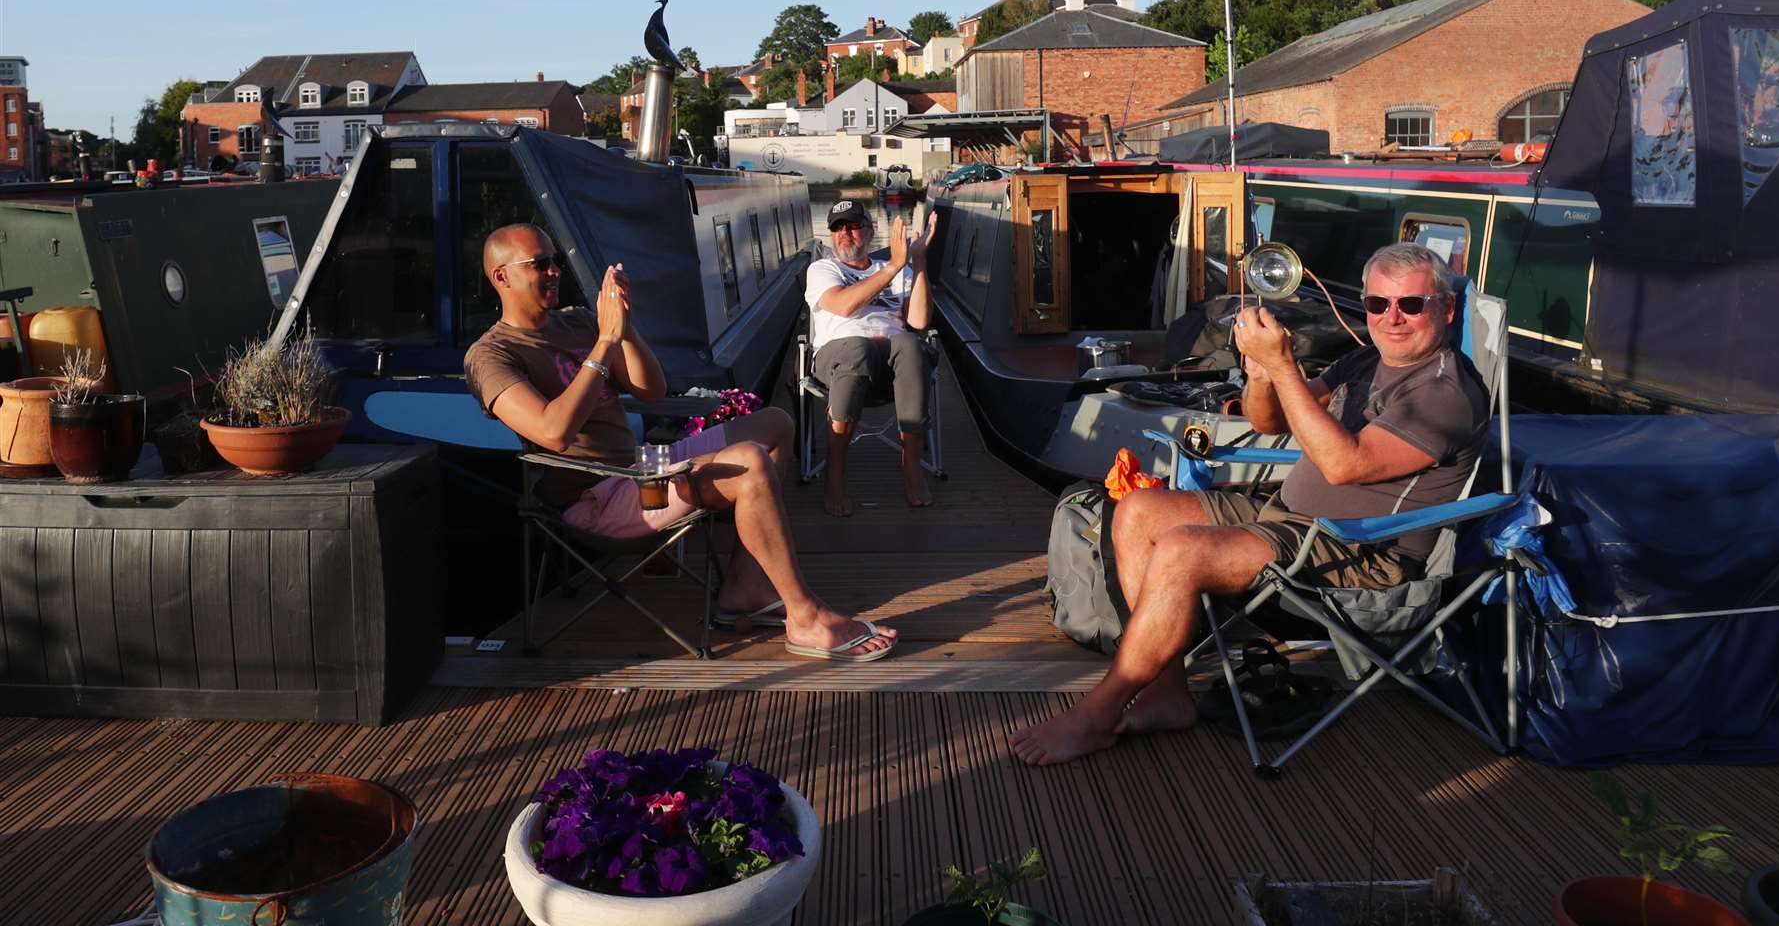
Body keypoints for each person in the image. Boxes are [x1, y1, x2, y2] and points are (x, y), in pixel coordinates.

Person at [1009, 242, 1488, 764]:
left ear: (1445, 309)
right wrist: (1260, 374)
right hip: (1288, 515)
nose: (1392, 318)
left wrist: (1284, 367)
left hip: (1359, 550)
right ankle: (1168, 693)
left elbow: (1344, 465)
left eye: (1411, 305)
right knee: (1139, 511)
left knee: (1183, 552)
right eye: (1377, 305)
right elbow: (1270, 421)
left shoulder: (1447, 392)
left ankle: (1097, 716)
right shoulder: (1368, 358)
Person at [464, 223, 898, 662]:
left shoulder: (575, 322)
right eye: (540, 264)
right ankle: (805, 617)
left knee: (774, 424)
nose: (555, 271)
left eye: (556, 260)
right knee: (747, 463)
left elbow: (652, 390)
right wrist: (606, 341)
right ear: (502, 276)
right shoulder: (491, 355)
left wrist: (626, 328)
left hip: (639, 472)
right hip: (594, 494)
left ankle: (744, 586)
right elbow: (553, 433)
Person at [805, 199, 939, 516]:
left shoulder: (899, 268)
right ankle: (835, 474)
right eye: (838, 227)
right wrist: (894, 265)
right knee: (857, 347)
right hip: (838, 360)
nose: (846, 233)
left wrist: (917, 263)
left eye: (853, 225)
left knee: (909, 342)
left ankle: (911, 466)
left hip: (891, 366)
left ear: (870, 231)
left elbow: (919, 321)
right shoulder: (823, 269)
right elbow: (843, 306)